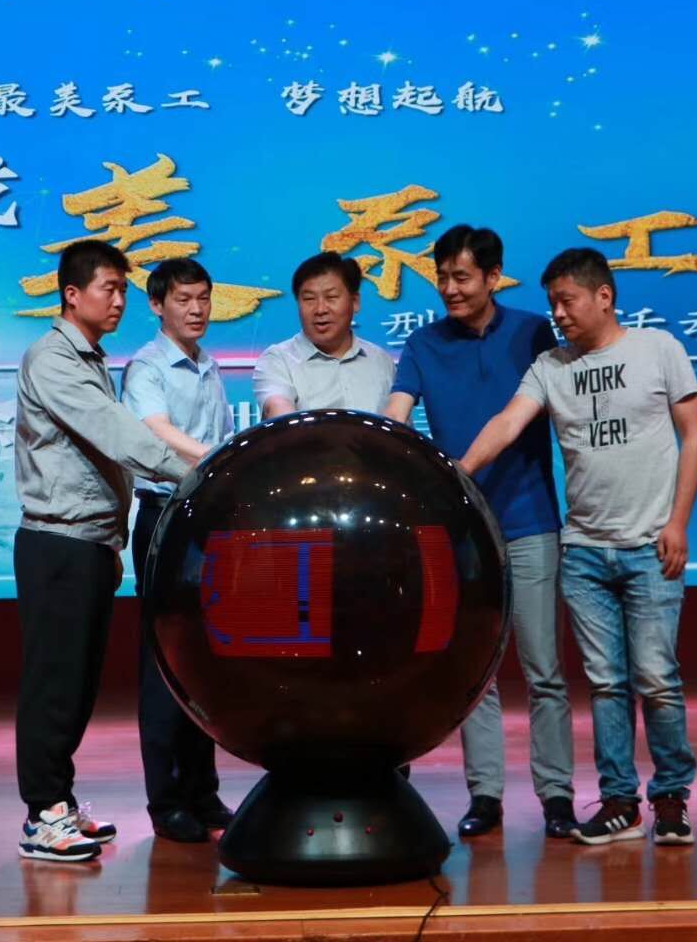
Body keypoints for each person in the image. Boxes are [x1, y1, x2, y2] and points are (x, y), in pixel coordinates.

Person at [459, 247, 697, 847]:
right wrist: (459, 471)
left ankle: (671, 799)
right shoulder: (550, 366)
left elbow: (695, 435)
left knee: (657, 678)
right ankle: (620, 801)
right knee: (605, 683)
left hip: (651, 546)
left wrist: (678, 522)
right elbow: (507, 423)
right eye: (552, 304)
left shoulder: (658, 349)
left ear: (604, 296)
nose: (559, 314)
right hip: (585, 552)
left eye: (567, 301)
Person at [383, 225, 578, 842]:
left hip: (529, 521)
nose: (450, 289)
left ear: (493, 277)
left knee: (543, 668)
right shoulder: (423, 343)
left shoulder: (534, 333)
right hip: (461, 530)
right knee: (475, 672)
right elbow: (397, 412)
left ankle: (557, 796)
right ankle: (485, 795)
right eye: (442, 277)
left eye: (462, 277)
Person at [13, 240, 191, 864]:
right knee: (54, 684)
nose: (119, 301)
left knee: (78, 683)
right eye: (108, 288)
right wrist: (193, 472)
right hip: (57, 544)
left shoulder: (89, 357)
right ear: (72, 294)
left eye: (122, 290)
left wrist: (112, 540)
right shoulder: (53, 359)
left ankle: (59, 803)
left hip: (86, 543)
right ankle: (42, 815)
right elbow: (119, 436)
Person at [120, 257, 237, 843]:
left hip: (205, 519)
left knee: (205, 656)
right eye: (184, 300)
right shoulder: (147, 366)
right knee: (166, 657)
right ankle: (165, 801)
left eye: (203, 299)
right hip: (163, 517)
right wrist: (221, 460)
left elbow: (218, 435)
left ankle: (202, 789)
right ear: (157, 305)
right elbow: (155, 429)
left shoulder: (209, 365)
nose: (196, 310)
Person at [252, 252, 395, 417]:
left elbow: (398, 426)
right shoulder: (278, 360)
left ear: (355, 302)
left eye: (331, 297)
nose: (320, 309)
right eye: (309, 299)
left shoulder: (381, 361)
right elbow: (278, 410)